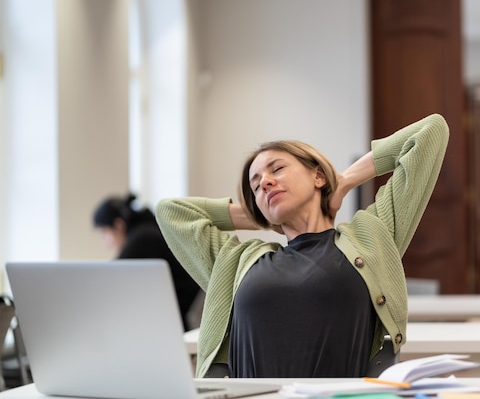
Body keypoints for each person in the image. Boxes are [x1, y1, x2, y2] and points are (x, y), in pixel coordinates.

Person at [155, 113, 449, 378]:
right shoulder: (238, 262)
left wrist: (342, 182)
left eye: (277, 169)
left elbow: (429, 133)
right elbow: (171, 212)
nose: (265, 183)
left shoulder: (370, 237)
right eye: (256, 185)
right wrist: (261, 212)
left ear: (317, 175)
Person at [93, 193, 201, 330]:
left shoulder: (142, 237)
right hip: (183, 308)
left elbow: (109, 280)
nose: (107, 243)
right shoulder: (148, 229)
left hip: (186, 313)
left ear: (118, 225)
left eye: (104, 234)